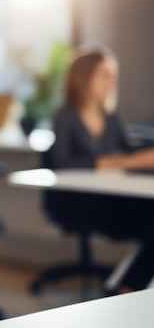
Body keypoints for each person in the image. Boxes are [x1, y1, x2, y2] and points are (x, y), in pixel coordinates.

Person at [47, 46, 154, 291]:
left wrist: (139, 158)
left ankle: (128, 284)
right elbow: (61, 162)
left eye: (114, 75)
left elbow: (127, 153)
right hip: (79, 203)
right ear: (84, 77)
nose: (112, 81)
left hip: (114, 198)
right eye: (105, 74)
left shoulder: (111, 115)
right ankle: (128, 286)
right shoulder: (66, 116)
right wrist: (119, 162)